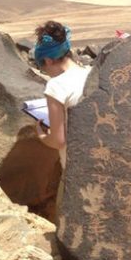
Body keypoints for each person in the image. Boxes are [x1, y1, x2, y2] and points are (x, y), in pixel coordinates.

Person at [33, 21, 91, 168]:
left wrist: (42, 136)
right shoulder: (91, 72)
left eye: (43, 68)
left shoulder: (56, 85)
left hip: (78, 169)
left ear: (48, 60)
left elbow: (59, 141)